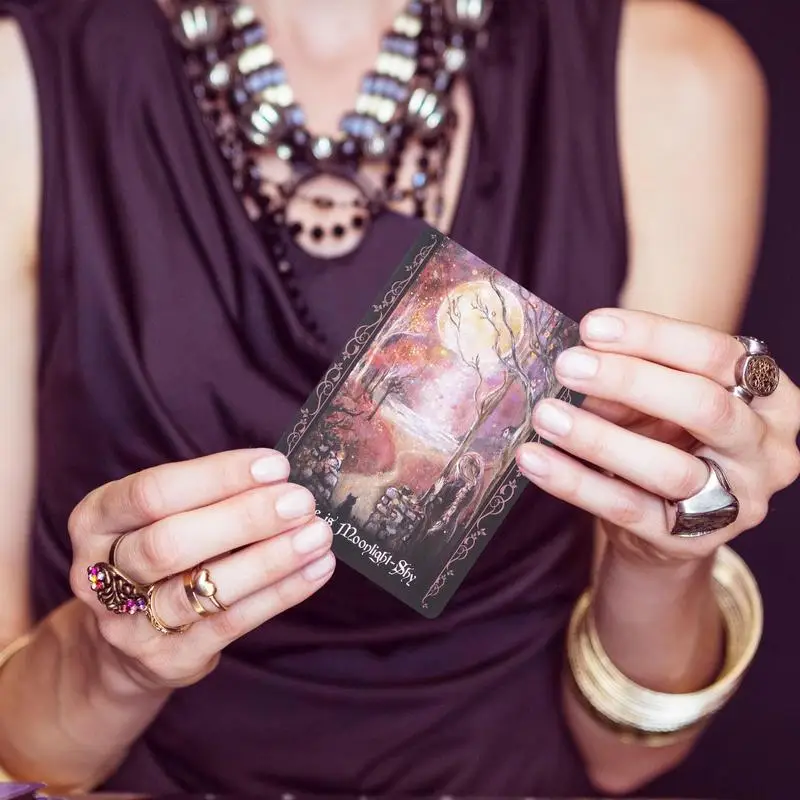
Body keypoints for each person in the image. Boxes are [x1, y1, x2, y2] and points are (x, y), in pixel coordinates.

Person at [0, 0, 797, 796]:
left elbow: (620, 758)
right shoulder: (23, 88)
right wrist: (110, 663)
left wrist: (658, 559)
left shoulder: (671, 83)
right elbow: (25, 754)